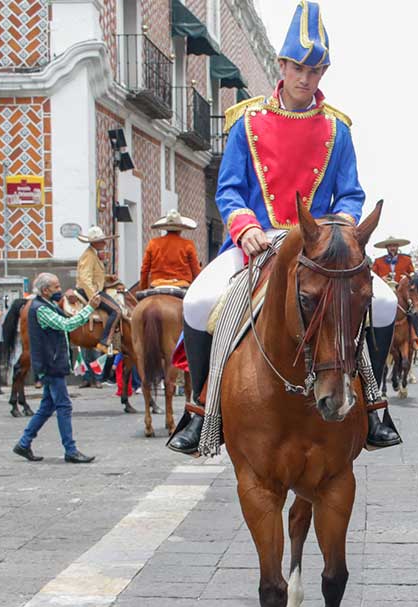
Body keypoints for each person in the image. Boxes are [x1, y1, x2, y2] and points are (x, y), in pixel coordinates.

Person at [170, 0, 399, 455]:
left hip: (319, 246)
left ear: (323, 73)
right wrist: (245, 227)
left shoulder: (337, 129)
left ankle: (374, 406)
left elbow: (351, 193)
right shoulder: (247, 122)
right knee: (196, 302)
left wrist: (342, 227)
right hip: (260, 241)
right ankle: (200, 408)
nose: (305, 78)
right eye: (298, 68)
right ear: (282, 65)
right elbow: (229, 189)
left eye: (315, 71)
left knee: (386, 302)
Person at [13, 273, 101, 464]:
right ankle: (70, 450)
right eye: (56, 287)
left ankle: (24, 443)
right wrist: (90, 308)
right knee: (64, 405)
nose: (59, 290)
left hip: (52, 362)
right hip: (51, 364)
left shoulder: (48, 305)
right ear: (45, 290)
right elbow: (66, 325)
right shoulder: (41, 309)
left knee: (47, 406)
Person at [76, 226, 120, 354]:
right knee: (116, 311)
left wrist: (108, 278)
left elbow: (95, 275)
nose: (105, 243)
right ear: (95, 242)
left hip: (94, 289)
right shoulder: (89, 256)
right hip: (90, 292)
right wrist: (94, 296)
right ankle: (104, 342)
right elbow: (85, 278)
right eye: (102, 241)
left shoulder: (93, 254)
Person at [140, 210, 202, 290]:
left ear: (166, 228)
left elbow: (144, 270)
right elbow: (196, 270)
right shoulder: (188, 244)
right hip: (181, 285)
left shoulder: (153, 243)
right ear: (180, 229)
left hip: (157, 284)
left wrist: (143, 288)